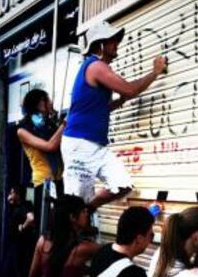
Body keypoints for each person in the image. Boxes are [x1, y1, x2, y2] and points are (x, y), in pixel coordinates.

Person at [61, 20, 167, 211]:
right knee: (73, 208)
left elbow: (101, 107)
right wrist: (155, 72)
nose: (116, 44)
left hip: (96, 145)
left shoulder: (97, 68)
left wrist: (120, 100)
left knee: (122, 184)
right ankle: (59, 236)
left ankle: (88, 208)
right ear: (100, 44)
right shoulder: (95, 66)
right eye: (112, 40)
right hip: (80, 144)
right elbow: (130, 89)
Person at [17, 89, 65, 234]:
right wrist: (64, 125)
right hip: (44, 182)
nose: (51, 102)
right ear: (39, 104)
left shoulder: (50, 124)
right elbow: (50, 146)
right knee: (46, 229)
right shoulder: (23, 130)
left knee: (59, 227)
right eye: (47, 99)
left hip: (59, 179)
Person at [4, 184, 35, 277]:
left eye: (12, 192)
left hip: (20, 244)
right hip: (15, 243)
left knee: (18, 270)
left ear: (18, 194)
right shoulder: (16, 206)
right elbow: (9, 200)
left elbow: (31, 218)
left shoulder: (24, 206)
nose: (10, 195)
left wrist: (23, 227)